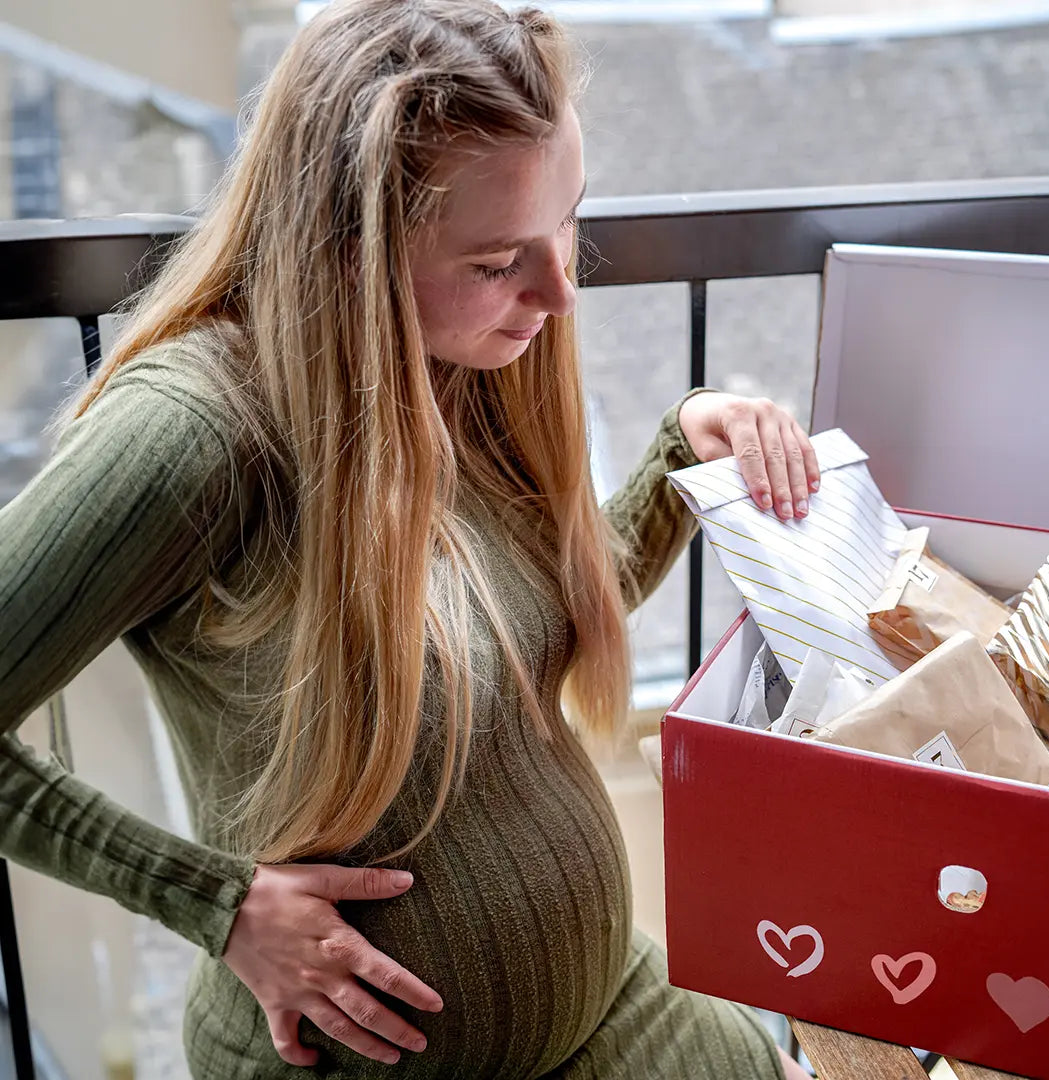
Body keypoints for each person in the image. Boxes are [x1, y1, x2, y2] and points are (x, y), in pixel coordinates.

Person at [0, 1, 819, 1076]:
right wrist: (218, 904)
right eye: (494, 262)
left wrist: (681, 457)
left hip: (612, 1007)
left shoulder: (454, 360)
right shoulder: (195, 433)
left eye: (567, 219)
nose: (559, 292)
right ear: (350, 248)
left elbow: (524, 631)